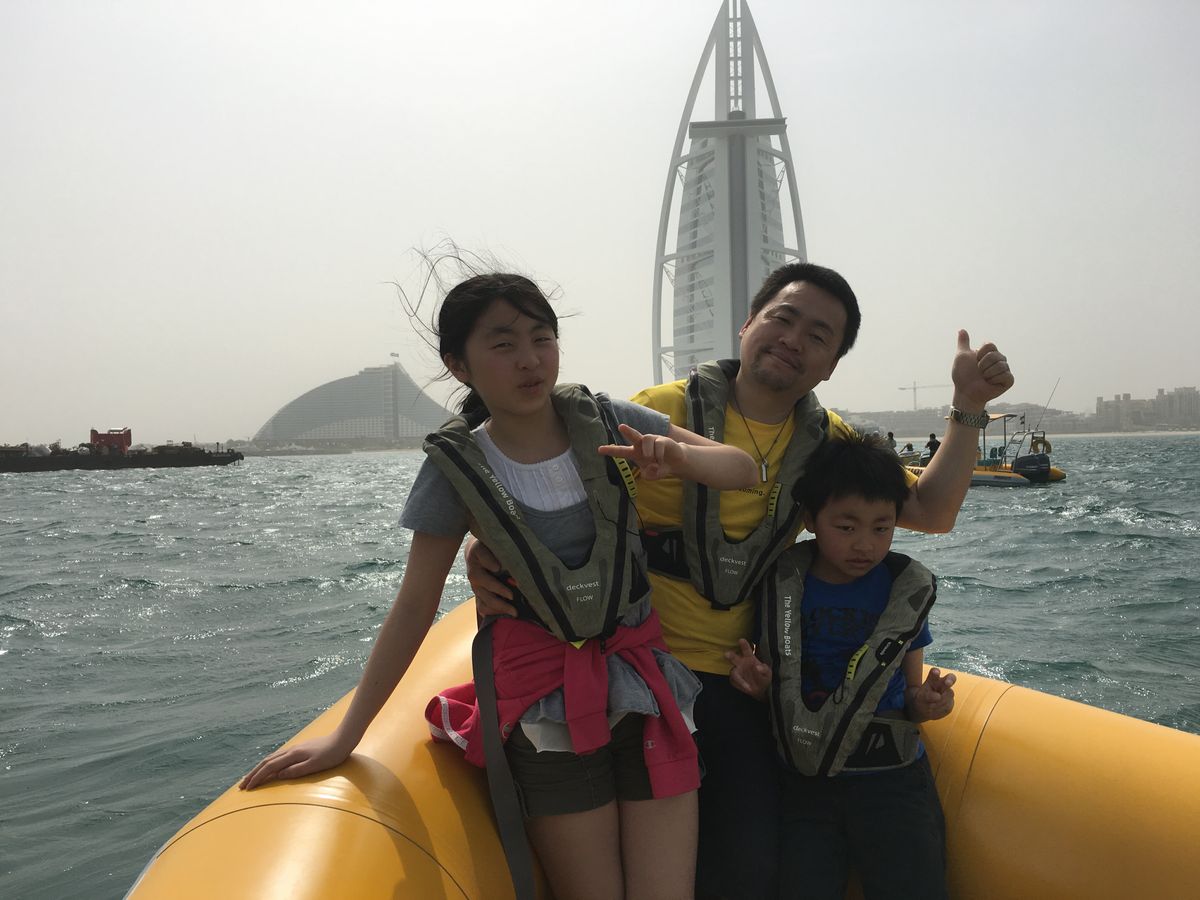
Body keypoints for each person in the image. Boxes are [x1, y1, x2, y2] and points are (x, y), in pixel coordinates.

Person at [469, 261, 1013, 899]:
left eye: (819, 336)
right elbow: (550, 489)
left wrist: (968, 406)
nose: (794, 339)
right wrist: (481, 548)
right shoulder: (657, 412)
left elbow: (930, 511)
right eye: (783, 318)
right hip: (637, 670)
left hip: (740, 683)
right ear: (748, 324)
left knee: (751, 868)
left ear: (831, 365)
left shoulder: (827, 442)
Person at [240, 272, 759, 900]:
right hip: (544, 710)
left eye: (542, 338)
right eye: (504, 344)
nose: (530, 360)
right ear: (459, 365)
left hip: (645, 687)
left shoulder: (609, 420)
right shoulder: (455, 469)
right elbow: (414, 604)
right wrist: (346, 736)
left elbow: (742, 469)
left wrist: (677, 457)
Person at [727, 433, 955, 900]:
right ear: (811, 519)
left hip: (893, 783)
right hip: (806, 786)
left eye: (881, 528)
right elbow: (779, 686)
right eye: (846, 527)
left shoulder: (901, 589)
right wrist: (758, 685)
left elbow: (911, 699)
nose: (864, 545)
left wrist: (930, 702)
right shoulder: (785, 585)